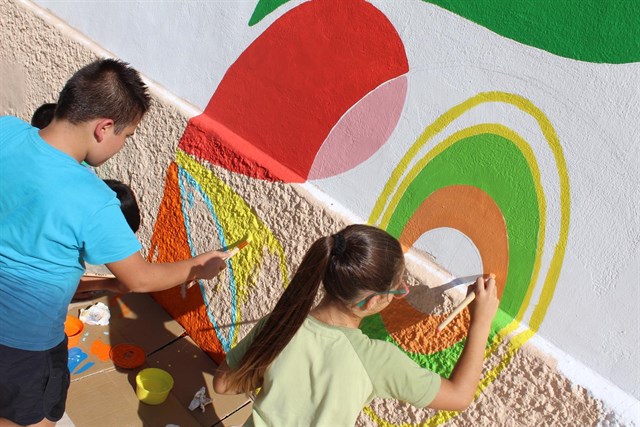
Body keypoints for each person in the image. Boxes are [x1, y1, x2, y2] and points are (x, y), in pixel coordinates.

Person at [0, 59, 231, 427]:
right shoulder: (92, 199)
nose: (122, 145)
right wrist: (198, 267)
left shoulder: (6, 131)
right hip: (26, 345)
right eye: (127, 137)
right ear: (103, 128)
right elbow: (139, 278)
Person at [213, 224, 499, 426]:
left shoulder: (280, 325)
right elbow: (460, 396)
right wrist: (481, 321)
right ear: (370, 302)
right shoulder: (377, 360)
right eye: (398, 288)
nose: (405, 290)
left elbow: (223, 384)